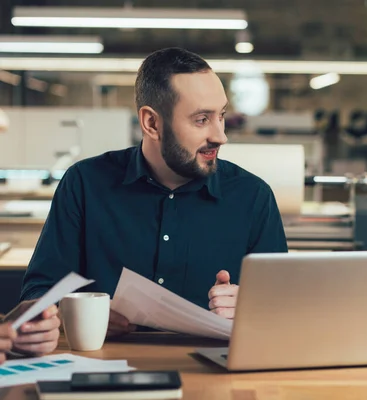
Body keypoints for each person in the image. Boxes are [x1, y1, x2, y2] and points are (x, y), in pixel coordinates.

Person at [20, 47, 288, 336]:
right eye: (201, 119)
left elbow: (286, 310)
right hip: (103, 366)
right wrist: (76, 312)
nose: (220, 136)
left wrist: (252, 307)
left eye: (221, 115)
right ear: (152, 123)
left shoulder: (253, 196)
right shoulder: (85, 183)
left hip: (213, 371)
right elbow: (38, 295)